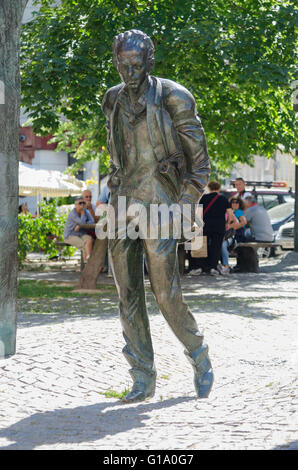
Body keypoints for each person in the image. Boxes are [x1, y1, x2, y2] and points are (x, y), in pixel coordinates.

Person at [102, 29, 213, 403]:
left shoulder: (173, 97)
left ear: (150, 62)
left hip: (161, 202)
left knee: (165, 293)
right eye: (123, 65)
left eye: (136, 65)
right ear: (116, 62)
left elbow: (199, 164)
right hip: (121, 204)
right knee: (127, 293)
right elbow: (119, 153)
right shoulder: (112, 99)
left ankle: (197, 353)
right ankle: (142, 376)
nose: (129, 73)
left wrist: (186, 202)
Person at [189, 181, 234, 276]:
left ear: (209, 188)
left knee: (202, 245)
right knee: (216, 246)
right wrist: (227, 223)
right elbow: (230, 214)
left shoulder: (204, 198)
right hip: (219, 226)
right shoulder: (223, 199)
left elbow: (198, 213)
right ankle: (213, 267)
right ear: (219, 188)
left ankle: (199, 267)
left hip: (206, 226)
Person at [220, 196, 247, 274]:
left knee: (223, 245)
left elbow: (244, 222)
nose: (235, 204)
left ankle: (226, 266)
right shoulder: (230, 211)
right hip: (231, 234)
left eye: (237, 202)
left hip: (237, 234)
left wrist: (231, 227)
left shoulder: (238, 211)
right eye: (233, 202)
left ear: (239, 204)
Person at [63, 196, 94, 262]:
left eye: (83, 203)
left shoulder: (86, 211)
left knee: (89, 239)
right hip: (70, 235)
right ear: (76, 205)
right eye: (80, 203)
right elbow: (82, 222)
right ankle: (88, 262)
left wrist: (81, 225)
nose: (82, 205)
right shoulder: (73, 213)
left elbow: (92, 221)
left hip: (81, 234)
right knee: (84, 245)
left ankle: (88, 258)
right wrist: (83, 214)